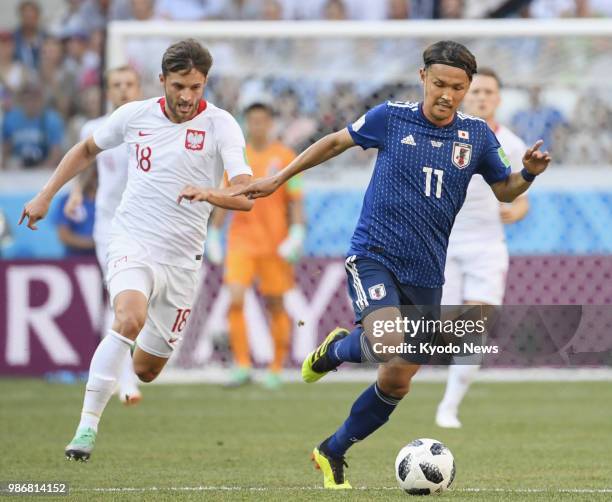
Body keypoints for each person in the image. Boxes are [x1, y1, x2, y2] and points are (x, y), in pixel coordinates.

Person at [233, 40, 551, 489]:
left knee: (398, 379)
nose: (447, 94)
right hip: (374, 256)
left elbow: (505, 189)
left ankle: (332, 449)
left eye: (458, 87)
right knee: (385, 340)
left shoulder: (477, 135)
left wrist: (530, 174)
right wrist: (279, 177)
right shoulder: (391, 117)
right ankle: (335, 351)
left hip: (426, 273)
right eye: (439, 83)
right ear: (423, 77)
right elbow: (335, 142)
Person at [19, 39, 253, 461]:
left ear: (205, 83)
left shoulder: (222, 126)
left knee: (147, 369)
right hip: (132, 240)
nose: (186, 96)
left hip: (182, 261)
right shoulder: (133, 116)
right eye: (179, 85)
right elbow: (86, 148)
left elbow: (245, 195)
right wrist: (46, 195)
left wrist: (210, 193)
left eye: (196, 87)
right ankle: (86, 428)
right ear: (161, 80)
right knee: (127, 316)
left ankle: (127, 367)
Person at [435, 68, 529, 429]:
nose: (482, 97)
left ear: (499, 99)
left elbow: (523, 201)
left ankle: (449, 407)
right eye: (477, 92)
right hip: (443, 242)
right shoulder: (444, 134)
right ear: (465, 95)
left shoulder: (514, 144)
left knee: (475, 327)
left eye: (490, 92)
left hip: (487, 245)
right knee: (444, 327)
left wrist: (514, 210)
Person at [207, 101, 305, 389]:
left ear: (271, 123)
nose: (257, 126)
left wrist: (297, 232)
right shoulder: (238, 158)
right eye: (252, 121)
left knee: (275, 304)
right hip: (241, 242)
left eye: (262, 120)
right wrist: (214, 233)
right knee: (235, 298)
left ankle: (276, 367)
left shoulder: (286, 157)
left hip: (274, 244)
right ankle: (242, 365)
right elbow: (226, 197)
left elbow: (295, 201)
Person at [64, 65, 144, 405]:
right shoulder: (95, 128)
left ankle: (128, 371)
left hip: (148, 225)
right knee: (120, 302)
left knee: (141, 307)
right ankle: (126, 382)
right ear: (108, 91)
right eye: (117, 85)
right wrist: (77, 192)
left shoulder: (150, 127)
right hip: (109, 227)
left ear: (139, 88)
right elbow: (87, 163)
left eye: (129, 84)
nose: (123, 89)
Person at [2, 82, 65, 169]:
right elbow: (5, 151)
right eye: (27, 99)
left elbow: (56, 153)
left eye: (34, 99)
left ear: (41, 100)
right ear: (21, 100)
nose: (31, 103)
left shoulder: (51, 120)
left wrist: (39, 170)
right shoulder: (11, 119)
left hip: (43, 167)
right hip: (17, 167)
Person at [54, 173, 96, 256]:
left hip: (106, 256)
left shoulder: (109, 200)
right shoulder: (68, 200)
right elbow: (64, 235)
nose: (93, 178)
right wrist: (93, 243)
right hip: (75, 257)